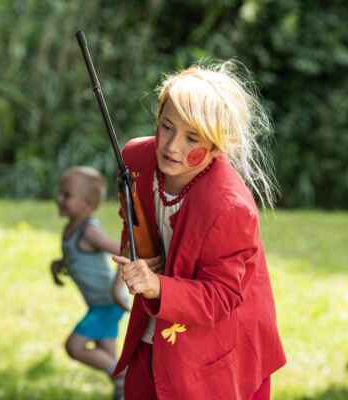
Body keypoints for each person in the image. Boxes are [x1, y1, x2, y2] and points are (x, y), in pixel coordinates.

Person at [111, 61, 286, 399]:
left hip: (218, 350)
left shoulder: (230, 206)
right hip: (156, 331)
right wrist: (136, 251)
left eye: (192, 138)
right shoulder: (136, 160)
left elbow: (222, 295)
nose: (172, 146)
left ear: (220, 146)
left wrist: (157, 285)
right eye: (166, 127)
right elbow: (130, 216)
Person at [50, 166, 130, 400]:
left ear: (87, 204)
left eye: (66, 195)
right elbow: (76, 256)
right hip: (99, 304)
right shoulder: (71, 228)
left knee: (74, 347)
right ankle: (124, 391)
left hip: (108, 303)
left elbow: (124, 251)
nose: (59, 198)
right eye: (59, 193)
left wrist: (118, 287)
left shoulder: (89, 231)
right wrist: (59, 264)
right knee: (106, 354)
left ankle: (124, 376)